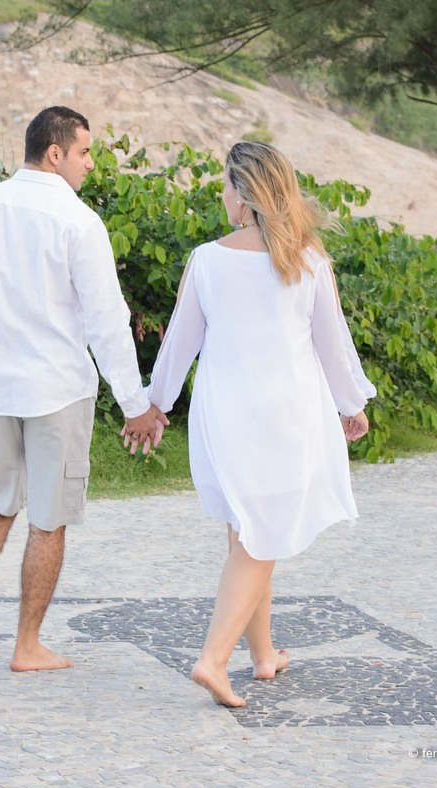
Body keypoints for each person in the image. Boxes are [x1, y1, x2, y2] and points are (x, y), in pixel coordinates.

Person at [144, 141, 376, 706]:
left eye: (226, 185)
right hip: (286, 416)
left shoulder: (207, 259)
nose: (222, 196)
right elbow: (333, 347)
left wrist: (157, 405)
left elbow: (180, 344)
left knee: (249, 533)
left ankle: (263, 654)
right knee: (260, 536)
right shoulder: (308, 261)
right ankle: (213, 659)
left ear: (245, 195)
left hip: (225, 414)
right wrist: (352, 404)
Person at [0, 106, 168, 672]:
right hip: (58, 391)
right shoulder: (77, 221)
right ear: (55, 153)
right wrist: (136, 405)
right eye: (86, 152)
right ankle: (27, 645)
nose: (91, 164)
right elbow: (106, 322)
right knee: (48, 517)